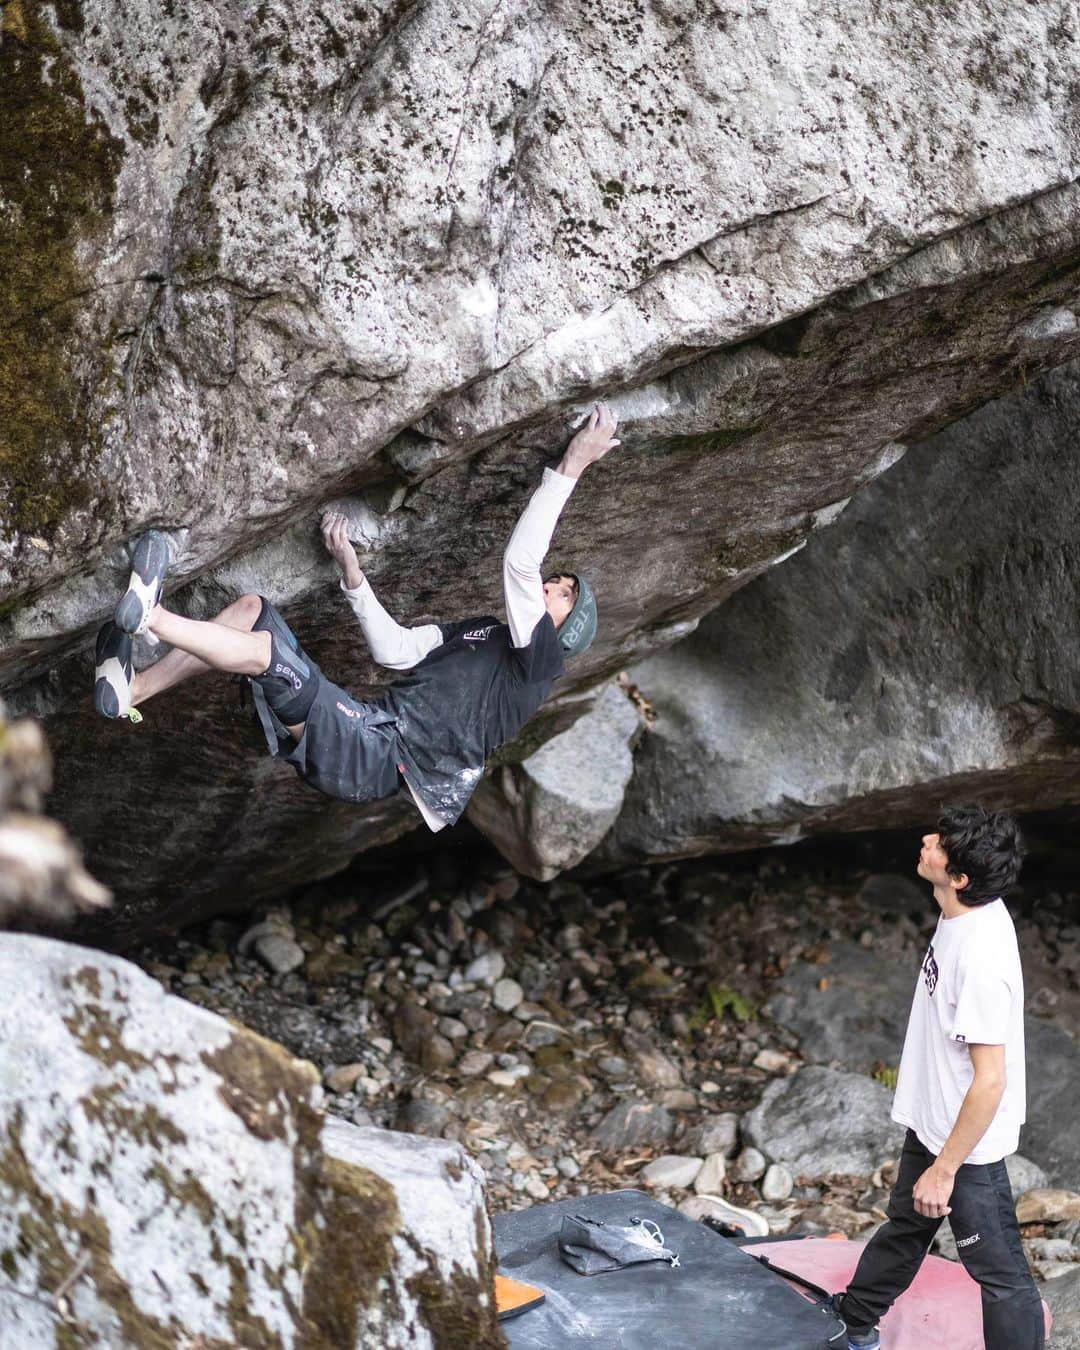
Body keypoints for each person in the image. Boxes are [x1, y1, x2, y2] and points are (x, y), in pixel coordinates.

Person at [93, 405, 620, 829]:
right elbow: (394, 651)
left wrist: (572, 463)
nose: (553, 584)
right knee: (253, 612)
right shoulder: (481, 634)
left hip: (377, 759)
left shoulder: (539, 667)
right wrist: (352, 571)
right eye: (560, 581)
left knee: (267, 656)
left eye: (565, 594)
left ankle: (151, 617)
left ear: (563, 632)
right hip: (368, 730)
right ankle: (132, 691)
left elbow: (520, 562)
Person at [834, 804, 1045, 1350]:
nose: (926, 840)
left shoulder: (980, 960)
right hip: (934, 1125)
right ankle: (853, 1324)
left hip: (966, 1151)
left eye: (940, 843)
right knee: (905, 1227)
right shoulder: (965, 910)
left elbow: (990, 1080)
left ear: (959, 878)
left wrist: (945, 1169)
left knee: (1001, 1278)